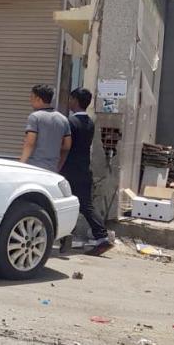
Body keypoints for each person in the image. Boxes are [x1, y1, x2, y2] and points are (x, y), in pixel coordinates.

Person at [61, 88, 112, 255]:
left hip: (69, 169)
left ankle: (64, 238)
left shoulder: (70, 122)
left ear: (75, 100)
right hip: (84, 169)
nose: (69, 101)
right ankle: (101, 237)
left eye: (70, 98)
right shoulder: (89, 122)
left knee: (63, 204)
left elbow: (65, 147)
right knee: (85, 205)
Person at [19, 84, 72, 172]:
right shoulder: (63, 119)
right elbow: (66, 146)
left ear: (38, 99)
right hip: (52, 168)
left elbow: (30, 143)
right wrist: (59, 166)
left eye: (32, 97)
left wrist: (21, 165)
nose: (30, 100)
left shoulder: (35, 117)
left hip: (34, 167)